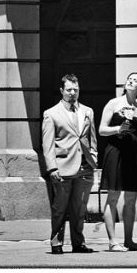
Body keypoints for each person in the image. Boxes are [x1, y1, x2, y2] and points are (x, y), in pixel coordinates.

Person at [42, 73, 98, 255]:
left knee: (79, 209)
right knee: (60, 209)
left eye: (76, 89)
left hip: (84, 167)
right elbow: (47, 144)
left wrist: (94, 158)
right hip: (62, 167)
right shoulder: (51, 114)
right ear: (62, 91)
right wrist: (51, 167)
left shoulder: (87, 111)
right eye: (69, 90)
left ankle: (78, 243)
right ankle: (56, 242)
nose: (72, 93)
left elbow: (92, 139)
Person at [98, 71, 137, 252]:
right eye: (130, 79)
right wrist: (118, 129)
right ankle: (112, 241)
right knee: (113, 198)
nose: (131, 81)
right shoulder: (113, 103)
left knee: (131, 199)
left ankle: (129, 240)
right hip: (115, 153)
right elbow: (102, 130)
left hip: (134, 157)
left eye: (135, 81)